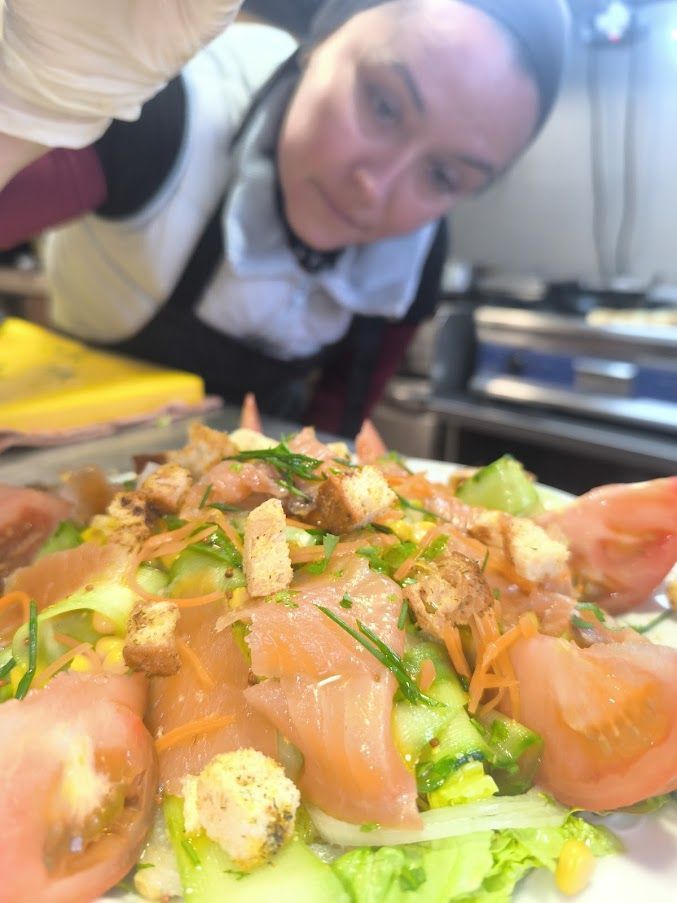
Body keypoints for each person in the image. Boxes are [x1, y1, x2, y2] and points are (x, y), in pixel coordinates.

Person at [0, 0, 568, 434]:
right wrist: (31, 98)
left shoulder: (415, 254)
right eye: (384, 105)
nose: (376, 187)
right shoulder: (165, 113)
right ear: (321, 39)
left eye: (443, 175)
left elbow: (337, 424)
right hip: (74, 424)